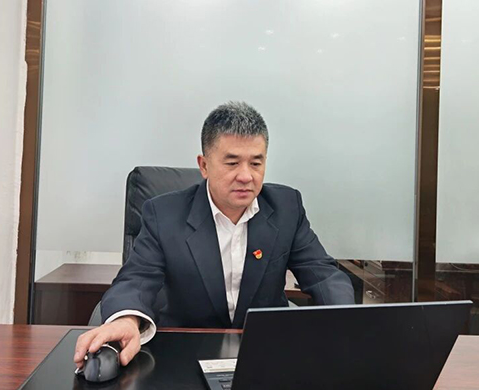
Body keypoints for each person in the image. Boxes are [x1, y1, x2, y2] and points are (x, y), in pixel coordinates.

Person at [74, 101, 354, 368]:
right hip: (182, 356)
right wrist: (127, 320)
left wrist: (348, 323)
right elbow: (137, 277)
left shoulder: (286, 208)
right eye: (232, 163)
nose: (246, 176)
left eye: (256, 163)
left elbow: (323, 274)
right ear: (204, 165)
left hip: (263, 354)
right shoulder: (164, 215)